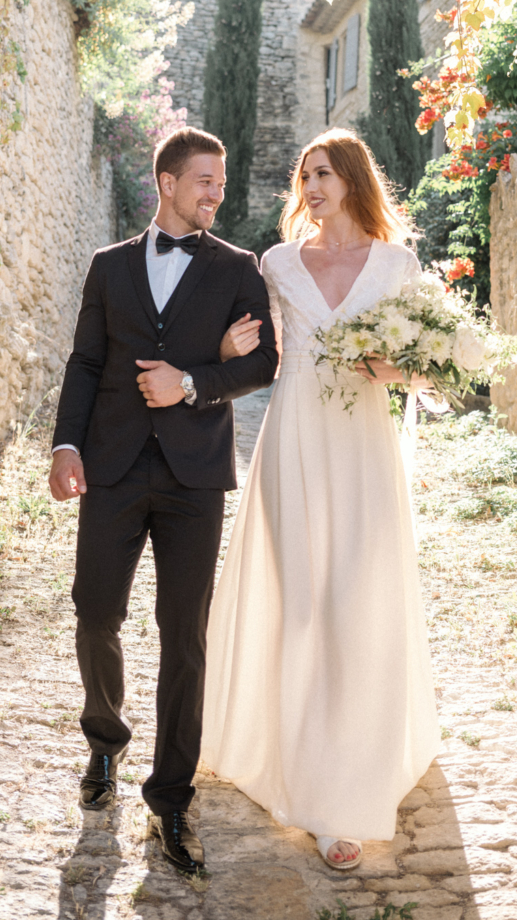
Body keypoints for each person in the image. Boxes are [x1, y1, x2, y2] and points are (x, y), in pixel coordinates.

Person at [201, 128, 442, 871]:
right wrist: (221, 355)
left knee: (356, 604)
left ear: (353, 181)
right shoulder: (275, 263)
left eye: (327, 173)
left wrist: (394, 368)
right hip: (296, 439)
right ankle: (309, 777)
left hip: (363, 448)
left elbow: (423, 368)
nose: (312, 185)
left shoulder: (397, 264)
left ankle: (351, 789)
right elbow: (252, 352)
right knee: (303, 605)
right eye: (306, 174)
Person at [48, 127, 278, 875]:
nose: (216, 192)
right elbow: (85, 361)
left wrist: (195, 382)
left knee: (185, 636)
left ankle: (171, 795)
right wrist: (66, 445)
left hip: (193, 476)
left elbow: (265, 361)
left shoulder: (239, 269)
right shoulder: (108, 266)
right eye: (205, 180)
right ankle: (104, 742)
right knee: (94, 612)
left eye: (220, 181)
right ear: (168, 183)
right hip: (110, 467)